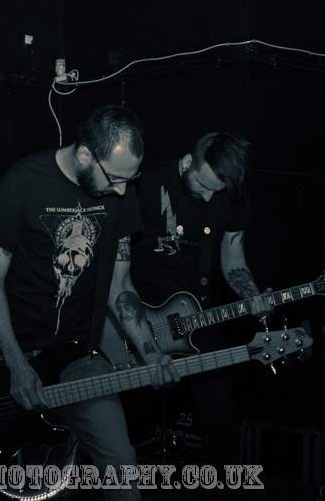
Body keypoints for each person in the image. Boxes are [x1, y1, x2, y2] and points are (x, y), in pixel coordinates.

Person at [0, 105, 180, 501]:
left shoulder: (120, 190)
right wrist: (16, 364)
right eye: (116, 178)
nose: (122, 190)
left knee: (121, 463)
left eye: (130, 179)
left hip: (76, 355)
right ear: (84, 154)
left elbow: (119, 284)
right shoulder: (24, 180)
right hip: (4, 351)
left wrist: (149, 350)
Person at [125, 132, 272, 466]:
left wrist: (252, 296)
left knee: (223, 414)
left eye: (215, 191)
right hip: (138, 317)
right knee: (124, 420)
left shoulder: (232, 195)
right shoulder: (146, 183)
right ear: (189, 161)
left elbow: (233, 260)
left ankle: (214, 485)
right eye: (203, 185)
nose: (208, 197)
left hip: (196, 316)